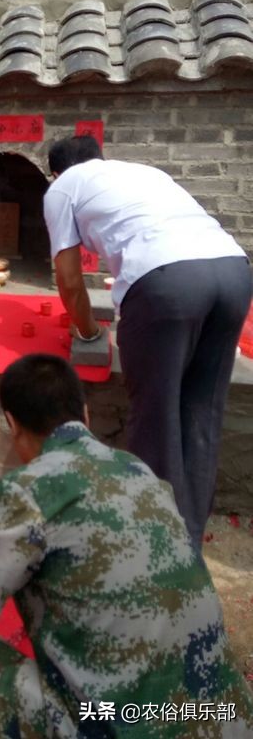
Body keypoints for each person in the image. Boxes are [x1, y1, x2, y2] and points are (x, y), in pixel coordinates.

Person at [0, 354, 253, 738]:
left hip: (116, 725)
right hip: (224, 720)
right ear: (85, 416)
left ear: (11, 424)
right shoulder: (139, 472)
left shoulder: (30, 489)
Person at [43, 135, 251, 548]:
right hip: (234, 273)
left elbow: (68, 278)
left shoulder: (62, 187)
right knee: (202, 409)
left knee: (156, 414)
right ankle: (187, 537)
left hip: (167, 284)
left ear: (56, 172)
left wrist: (87, 331)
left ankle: (153, 544)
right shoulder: (143, 172)